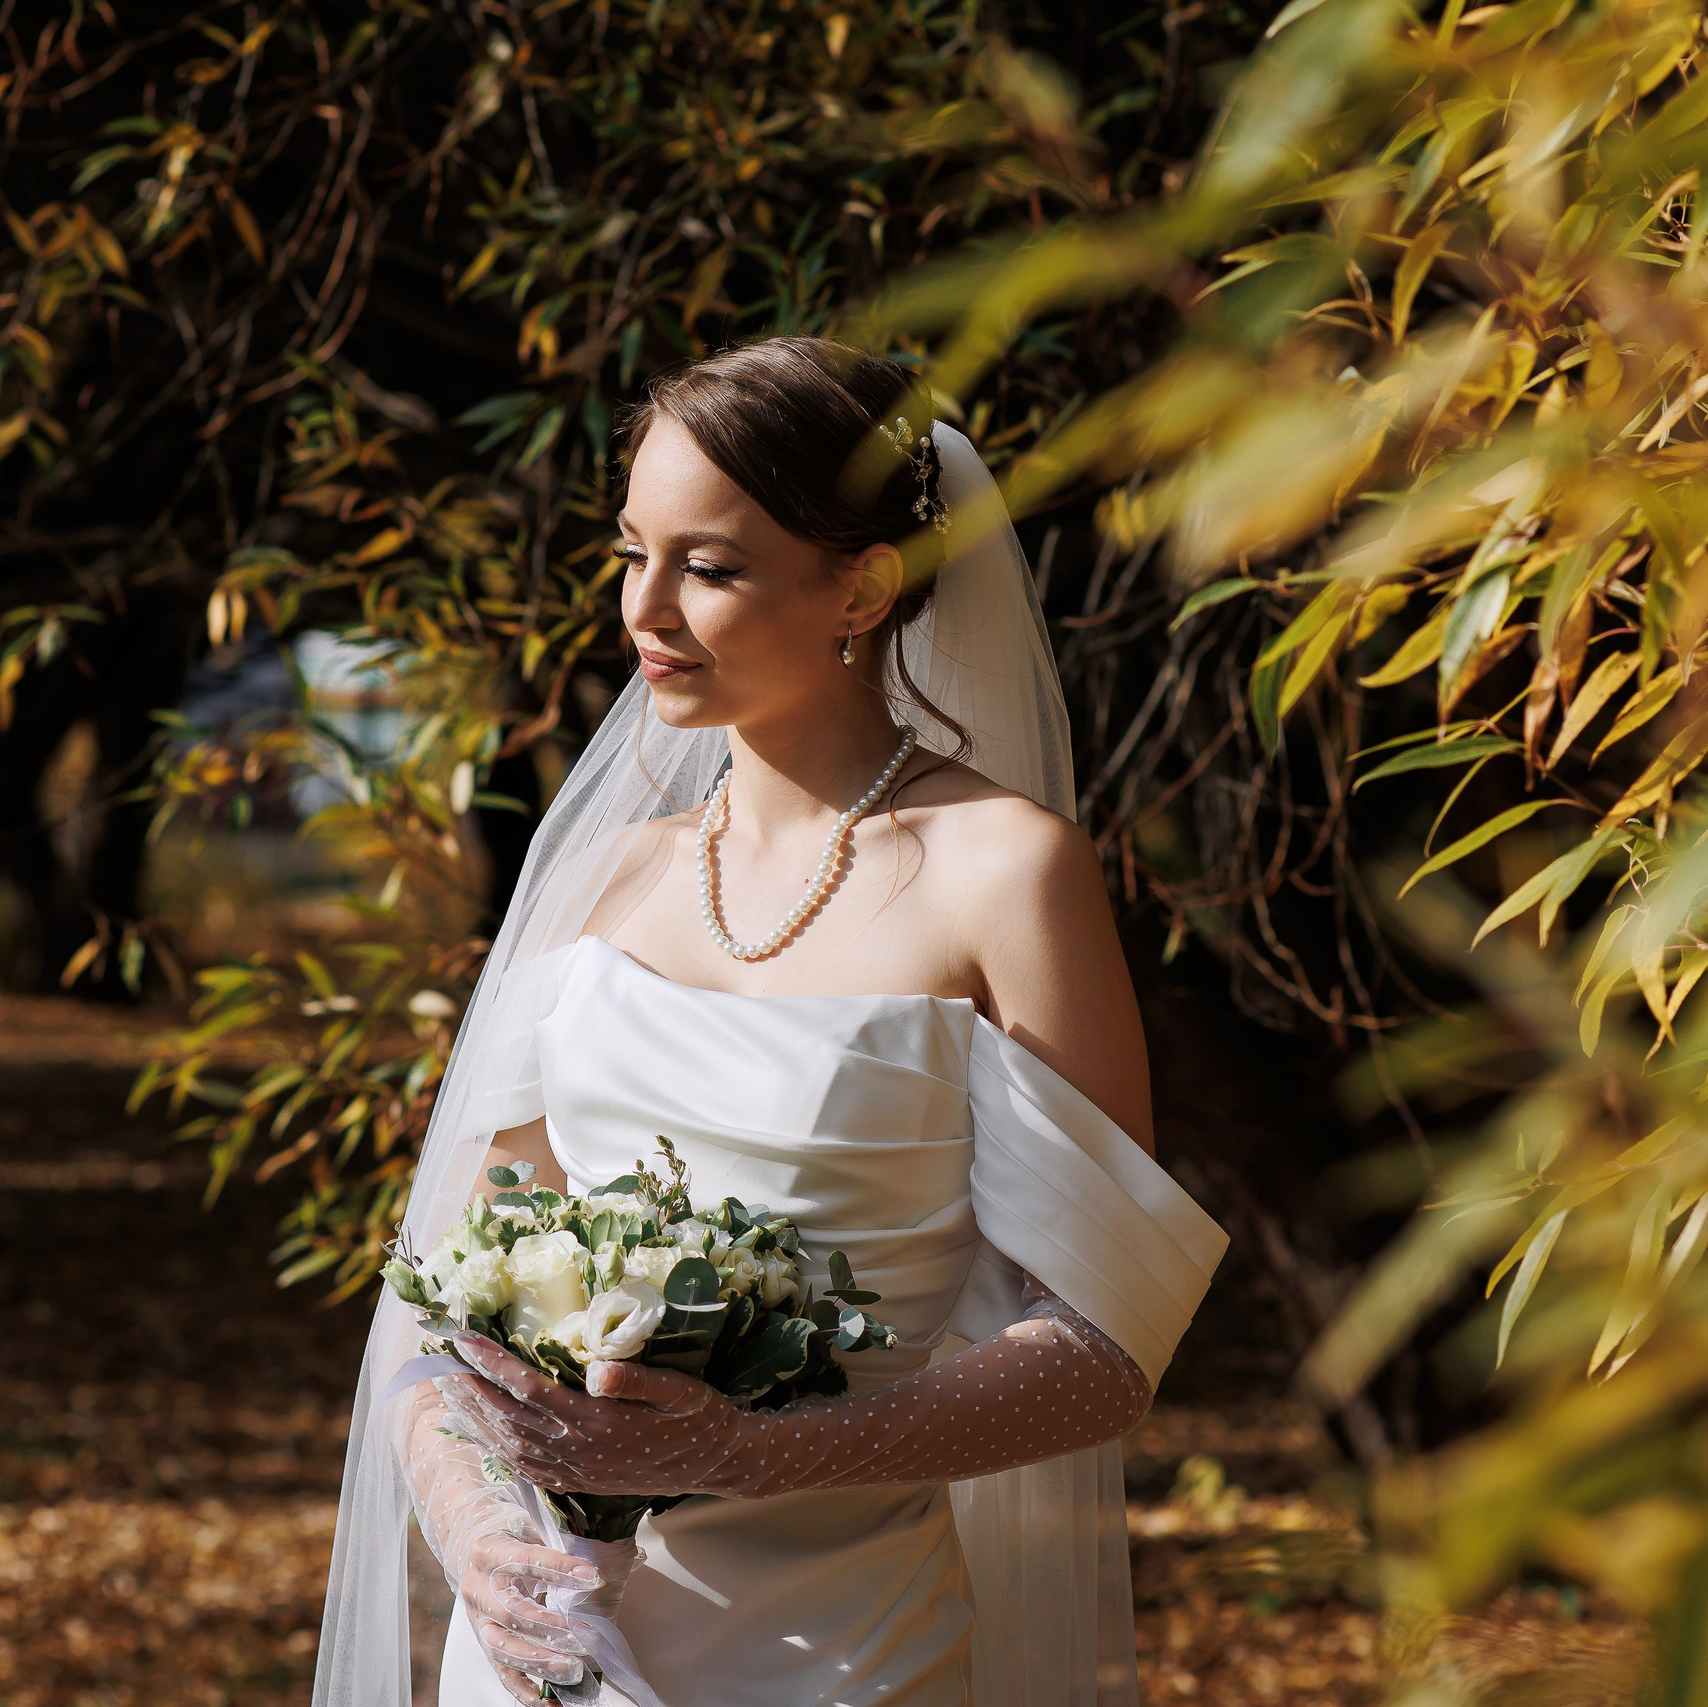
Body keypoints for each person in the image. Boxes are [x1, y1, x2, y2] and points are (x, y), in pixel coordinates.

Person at [317, 337, 1227, 1707]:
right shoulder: (605, 875)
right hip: (544, 1646)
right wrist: (477, 1527)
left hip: (843, 1649)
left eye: (713, 566)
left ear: (861, 585)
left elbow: (1104, 1350)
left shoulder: (1005, 869)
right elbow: (447, 1293)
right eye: (633, 552)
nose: (648, 608)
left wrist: (748, 1456)